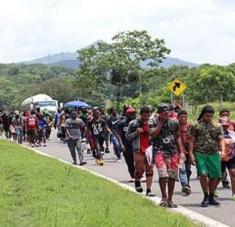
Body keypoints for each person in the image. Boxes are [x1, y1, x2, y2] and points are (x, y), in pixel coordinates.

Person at [189, 105, 226, 207]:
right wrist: (191, 154)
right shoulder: (195, 125)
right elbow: (192, 140)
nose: (208, 118)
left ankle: (211, 195)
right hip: (200, 153)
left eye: (210, 116)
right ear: (203, 114)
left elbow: (221, 139)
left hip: (213, 154)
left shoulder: (217, 126)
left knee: (217, 176)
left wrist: (223, 151)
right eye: (207, 115)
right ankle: (205, 196)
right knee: (203, 174)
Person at [150, 103, 184, 207]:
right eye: (163, 111)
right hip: (159, 151)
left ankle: (170, 199)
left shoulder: (174, 123)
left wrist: (181, 151)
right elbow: (152, 134)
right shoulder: (153, 121)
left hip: (173, 152)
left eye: (168, 110)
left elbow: (177, 137)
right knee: (163, 174)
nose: (166, 112)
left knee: (172, 176)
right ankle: (164, 197)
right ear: (159, 112)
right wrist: (160, 123)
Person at [125, 106, 154, 196]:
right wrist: (136, 133)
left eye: (148, 116)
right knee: (140, 169)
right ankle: (137, 180)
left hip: (149, 149)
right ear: (141, 115)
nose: (146, 118)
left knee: (150, 169)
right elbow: (127, 136)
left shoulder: (152, 123)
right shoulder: (133, 123)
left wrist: (151, 131)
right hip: (138, 149)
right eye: (145, 116)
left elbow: (156, 133)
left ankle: (148, 189)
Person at [118, 106, 136, 181]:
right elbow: (119, 135)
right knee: (129, 162)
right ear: (126, 114)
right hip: (126, 146)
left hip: (136, 145)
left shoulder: (137, 122)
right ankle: (132, 176)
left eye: (133, 113)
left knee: (138, 161)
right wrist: (121, 145)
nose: (132, 115)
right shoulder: (122, 123)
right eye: (130, 113)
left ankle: (138, 175)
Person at [219, 116, 235, 198]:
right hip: (219, 157)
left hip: (231, 156)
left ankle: (234, 193)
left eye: (226, 125)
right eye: (223, 125)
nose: (224, 127)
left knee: (233, 173)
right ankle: (212, 191)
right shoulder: (216, 133)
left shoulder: (232, 133)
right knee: (217, 176)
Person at [177, 110, 192, 196]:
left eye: (185, 117)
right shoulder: (176, 126)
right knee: (182, 169)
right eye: (181, 117)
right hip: (179, 150)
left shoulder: (190, 126)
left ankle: (187, 185)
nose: (183, 118)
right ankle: (185, 185)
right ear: (178, 117)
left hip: (188, 150)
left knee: (188, 169)